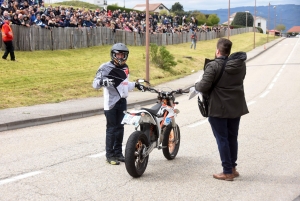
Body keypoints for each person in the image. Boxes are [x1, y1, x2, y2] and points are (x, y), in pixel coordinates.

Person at [194, 38, 249, 181]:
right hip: (235, 106)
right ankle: (232, 168)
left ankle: (227, 172)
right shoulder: (240, 65)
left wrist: (197, 85)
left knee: (222, 139)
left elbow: (203, 86)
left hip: (218, 107)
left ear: (218, 51)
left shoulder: (213, 66)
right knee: (232, 137)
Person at [92, 43, 144, 165]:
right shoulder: (105, 67)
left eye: (122, 54)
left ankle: (118, 153)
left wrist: (135, 85)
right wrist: (103, 81)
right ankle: (109, 155)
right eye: (118, 54)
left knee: (120, 128)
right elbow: (95, 84)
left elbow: (124, 85)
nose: (120, 57)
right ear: (113, 55)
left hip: (122, 102)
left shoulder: (126, 68)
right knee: (111, 129)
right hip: (110, 103)